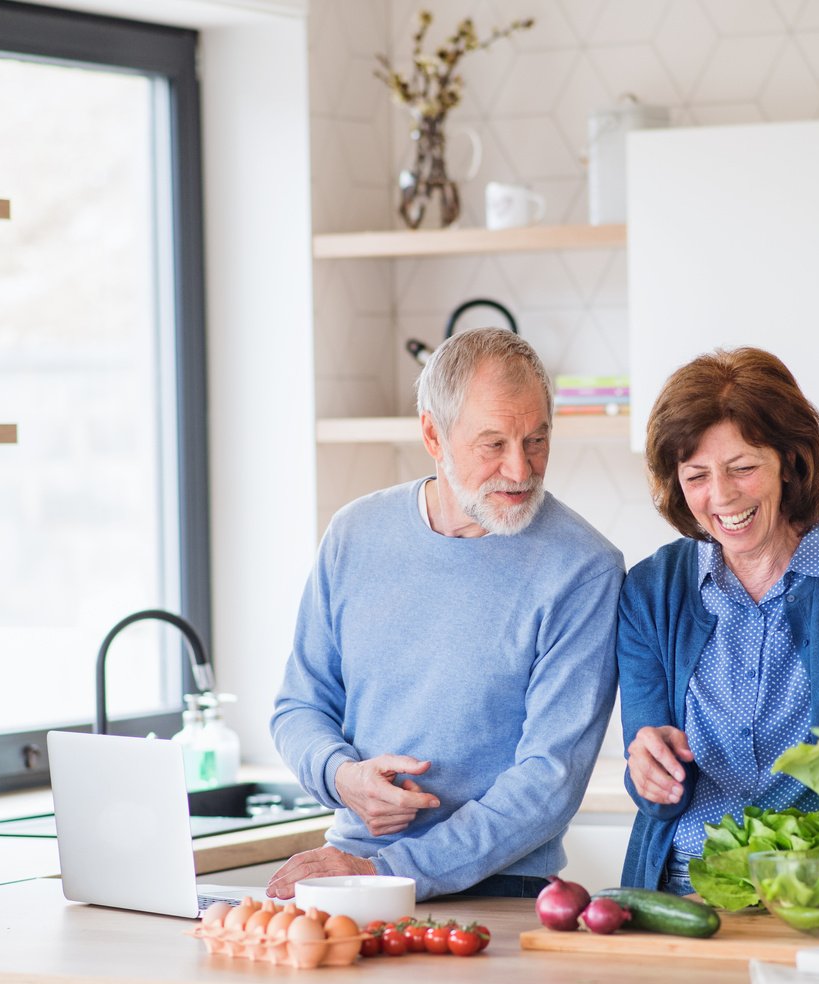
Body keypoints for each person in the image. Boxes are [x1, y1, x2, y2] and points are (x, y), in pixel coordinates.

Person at [268, 327, 625, 902]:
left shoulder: (583, 569)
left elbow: (548, 782)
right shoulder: (355, 534)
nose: (520, 469)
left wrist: (390, 874)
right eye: (494, 444)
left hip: (501, 887)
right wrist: (342, 776)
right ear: (433, 434)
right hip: (348, 870)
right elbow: (300, 706)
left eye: (537, 440)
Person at [617, 347, 819, 894]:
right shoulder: (650, 590)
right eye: (697, 475)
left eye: (743, 468)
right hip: (686, 892)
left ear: (791, 461)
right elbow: (644, 763)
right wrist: (648, 770)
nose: (722, 496)